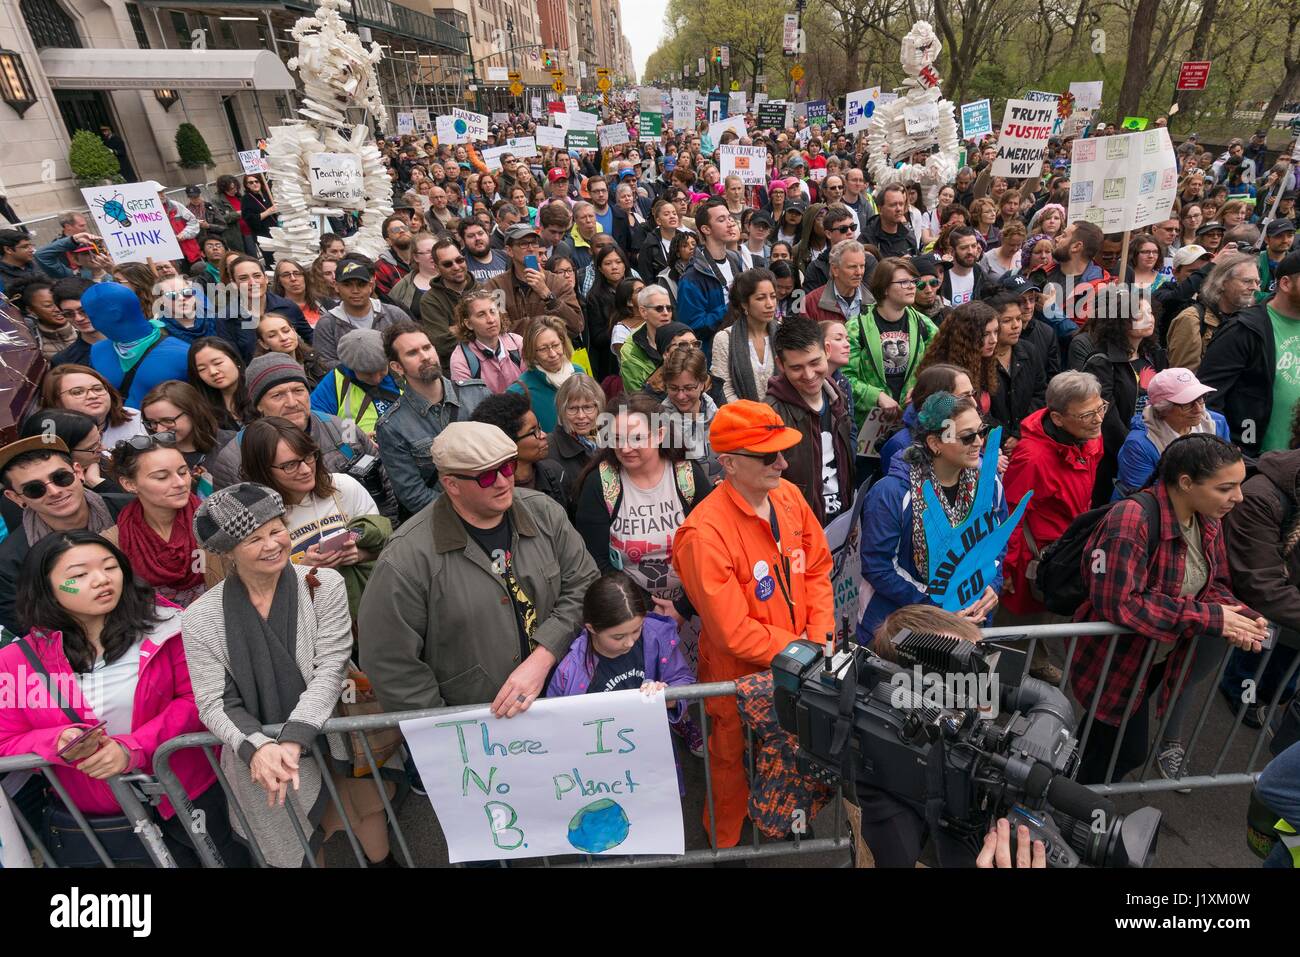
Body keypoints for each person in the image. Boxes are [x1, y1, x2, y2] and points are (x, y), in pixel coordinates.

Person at [0, 530, 245, 867]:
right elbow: (6, 740)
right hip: (99, 820)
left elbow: (197, 700)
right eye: (79, 575)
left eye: (109, 567)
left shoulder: (168, 626)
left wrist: (134, 747)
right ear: (47, 589)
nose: (101, 580)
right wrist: (58, 740)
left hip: (187, 796)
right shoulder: (17, 660)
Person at [185, 484, 395, 868]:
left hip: (333, 726)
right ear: (228, 551)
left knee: (364, 809)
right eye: (254, 539)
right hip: (261, 747)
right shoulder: (200, 618)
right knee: (294, 833)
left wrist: (293, 739)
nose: (272, 545)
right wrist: (258, 748)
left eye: (276, 530)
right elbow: (213, 700)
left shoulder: (323, 583)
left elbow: (331, 666)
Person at [672, 401, 834, 846]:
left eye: (782, 452)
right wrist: (807, 653)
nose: (782, 462)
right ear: (727, 463)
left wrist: (817, 640)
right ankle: (724, 845)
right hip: (739, 682)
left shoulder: (788, 496)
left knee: (797, 756)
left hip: (799, 667)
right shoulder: (704, 534)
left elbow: (818, 569)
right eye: (768, 456)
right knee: (730, 768)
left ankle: (789, 823)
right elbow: (732, 631)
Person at [359, 421, 599, 717]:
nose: (503, 481)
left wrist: (544, 654)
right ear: (451, 485)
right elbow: (391, 663)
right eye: (485, 477)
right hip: (480, 727)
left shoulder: (544, 512)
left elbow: (584, 584)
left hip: (562, 700)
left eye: (508, 467)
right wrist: (449, 732)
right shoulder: (406, 558)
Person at [1071, 435, 1268, 783]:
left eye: (1239, 485)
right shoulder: (1132, 520)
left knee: (1099, 737)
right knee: (1125, 751)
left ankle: (1060, 785)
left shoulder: (1207, 517)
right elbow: (1121, 603)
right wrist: (1211, 618)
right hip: (1116, 661)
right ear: (1186, 482)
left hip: (1154, 659)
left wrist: (1239, 615)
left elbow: (1214, 584)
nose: (1238, 497)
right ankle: (1069, 810)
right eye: (1226, 488)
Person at [857, 392, 1008, 643]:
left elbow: (996, 544)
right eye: (967, 437)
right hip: (900, 631)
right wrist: (942, 604)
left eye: (982, 432)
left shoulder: (989, 482)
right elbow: (879, 566)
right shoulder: (891, 494)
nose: (979, 443)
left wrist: (992, 584)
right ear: (935, 443)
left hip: (968, 621)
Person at [574, 393, 711, 622]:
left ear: (659, 435)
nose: (626, 448)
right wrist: (647, 606)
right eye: (617, 439)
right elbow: (596, 560)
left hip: (695, 606)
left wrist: (683, 606)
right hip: (633, 613)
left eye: (636, 438)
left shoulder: (686, 475)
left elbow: (714, 545)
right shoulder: (601, 483)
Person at [545, 570, 700, 758]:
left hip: (652, 756)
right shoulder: (570, 670)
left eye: (637, 630)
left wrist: (670, 696)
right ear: (592, 628)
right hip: (599, 762)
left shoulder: (657, 637)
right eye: (618, 637)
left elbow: (682, 679)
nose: (629, 642)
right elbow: (556, 724)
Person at [0, 436, 133, 638]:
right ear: (16, 498)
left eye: (61, 478)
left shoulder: (131, 512)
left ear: (78, 472)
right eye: (34, 489)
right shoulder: (11, 562)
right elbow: (30, 629)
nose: (54, 491)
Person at [1000, 371, 1106, 623]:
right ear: (1057, 418)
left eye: (1101, 408)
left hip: (1067, 550)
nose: (1098, 419)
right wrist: (1005, 569)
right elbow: (1010, 515)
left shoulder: (1089, 439)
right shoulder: (1032, 458)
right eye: (1087, 415)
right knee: (1021, 631)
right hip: (1033, 558)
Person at [207, 353, 381, 491]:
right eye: (278, 395)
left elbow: (381, 477)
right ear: (258, 405)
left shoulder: (342, 426)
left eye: (298, 390)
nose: (291, 402)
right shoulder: (235, 458)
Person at [373, 320, 488, 520]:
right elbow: (413, 494)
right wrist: (468, 512)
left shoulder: (477, 394)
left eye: (427, 347)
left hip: (496, 497)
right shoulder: (392, 426)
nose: (425, 356)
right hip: (450, 518)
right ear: (397, 367)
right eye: (412, 353)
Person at [1221, 446, 1300, 733]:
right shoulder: (1260, 497)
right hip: (1264, 613)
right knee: (1249, 666)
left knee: (1281, 676)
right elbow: (1261, 588)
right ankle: (1240, 697)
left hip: (1291, 617)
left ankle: (1269, 698)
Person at [99, 434, 211, 606]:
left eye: (183, 472)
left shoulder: (215, 523)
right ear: (129, 484)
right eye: (161, 477)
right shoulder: (115, 542)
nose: (180, 483)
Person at [765, 317, 854, 525]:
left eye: (815, 363)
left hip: (840, 521)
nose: (809, 375)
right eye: (797, 368)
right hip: (800, 527)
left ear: (826, 350)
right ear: (780, 364)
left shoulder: (836, 396)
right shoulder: (772, 414)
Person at [1083, 291, 1168, 505]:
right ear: (1120, 322)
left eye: (1150, 312)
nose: (1150, 319)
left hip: (1154, 444)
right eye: (1140, 315)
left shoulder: (1154, 354)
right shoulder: (1103, 362)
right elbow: (1107, 418)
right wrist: (1133, 448)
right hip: (1118, 455)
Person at [844, 257, 938, 432]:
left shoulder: (924, 324)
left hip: (912, 421)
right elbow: (843, 377)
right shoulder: (856, 327)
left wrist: (921, 387)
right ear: (885, 288)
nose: (912, 286)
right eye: (903, 282)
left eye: (913, 281)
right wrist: (876, 396)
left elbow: (940, 366)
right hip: (868, 426)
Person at [1115, 368, 1231, 499]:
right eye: (1187, 404)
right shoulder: (1139, 445)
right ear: (1163, 408)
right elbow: (1142, 499)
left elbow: (1227, 469)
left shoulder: (1216, 424)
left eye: (1200, 398)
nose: (1199, 409)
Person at [79, 282, 190, 409]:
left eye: (91, 316)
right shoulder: (97, 351)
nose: (90, 322)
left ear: (115, 314)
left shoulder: (182, 354)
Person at [1164, 251, 1258, 373]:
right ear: (1223, 282)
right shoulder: (1192, 319)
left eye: (1257, 282)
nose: (1254, 287)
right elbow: (1184, 378)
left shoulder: (1252, 319)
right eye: (1247, 281)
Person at [488, 223, 584, 336]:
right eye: (523, 244)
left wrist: (547, 295)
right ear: (509, 251)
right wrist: (543, 325)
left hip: (552, 351)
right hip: (515, 352)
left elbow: (576, 325)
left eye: (534, 243)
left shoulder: (558, 282)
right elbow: (497, 328)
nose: (531, 248)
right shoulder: (496, 285)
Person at [140, 380, 231, 498]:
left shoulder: (233, 444)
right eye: (152, 423)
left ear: (193, 412)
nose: (159, 430)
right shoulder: (150, 456)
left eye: (168, 420)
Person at [314, 260, 409, 370]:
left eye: (361, 284)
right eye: (347, 285)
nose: (355, 291)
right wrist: (363, 371)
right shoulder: (327, 324)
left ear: (371, 285)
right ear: (336, 286)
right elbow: (325, 362)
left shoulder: (393, 314)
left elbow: (412, 346)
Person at [309, 328, 402, 437]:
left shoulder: (401, 369)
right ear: (350, 367)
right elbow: (315, 426)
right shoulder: (335, 382)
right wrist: (358, 439)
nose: (376, 379)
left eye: (382, 370)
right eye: (368, 374)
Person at [677, 200, 744, 341]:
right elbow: (692, 326)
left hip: (739, 343)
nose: (730, 223)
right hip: (713, 351)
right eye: (721, 220)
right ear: (706, 229)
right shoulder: (692, 276)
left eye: (729, 217)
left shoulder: (735, 259)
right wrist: (732, 306)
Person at [986, 292, 1047, 447]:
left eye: (1019, 319)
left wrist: (1020, 432)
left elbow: (1040, 395)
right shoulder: (980, 359)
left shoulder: (1029, 351)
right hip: (991, 445)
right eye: (1007, 320)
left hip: (1027, 438)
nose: (1016, 325)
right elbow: (980, 409)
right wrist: (1005, 438)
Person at [711, 268, 779, 403]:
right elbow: (725, 390)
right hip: (742, 418)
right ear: (744, 304)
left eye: (773, 296)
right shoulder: (725, 339)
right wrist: (753, 416)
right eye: (761, 298)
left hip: (782, 416)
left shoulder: (783, 333)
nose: (770, 304)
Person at [40, 363, 147, 448]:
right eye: (77, 392)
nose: (92, 396)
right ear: (57, 401)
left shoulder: (134, 417)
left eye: (98, 389)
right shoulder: (50, 435)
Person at [508, 315, 584, 433]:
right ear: (531, 352)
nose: (552, 354)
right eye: (543, 349)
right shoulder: (518, 392)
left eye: (555, 345)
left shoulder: (579, 373)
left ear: (563, 343)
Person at [447, 288, 525, 393]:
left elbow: (532, 386)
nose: (491, 320)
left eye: (493, 312)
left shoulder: (517, 342)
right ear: (468, 324)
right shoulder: (461, 360)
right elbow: (470, 403)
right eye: (481, 315)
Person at [583, 246, 634, 382]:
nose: (614, 267)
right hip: (611, 362)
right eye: (608, 263)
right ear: (600, 269)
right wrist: (622, 324)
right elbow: (597, 338)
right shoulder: (594, 297)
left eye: (618, 262)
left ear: (625, 265)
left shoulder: (637, 289)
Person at [547, 373, 603, 494]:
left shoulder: (610, 440)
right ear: (561, 411)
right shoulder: (549, 449)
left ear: (599, 408)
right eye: (572, 409)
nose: (581, 416)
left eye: (588, 407)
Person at [618, 285, 676, 393]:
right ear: (643, 312)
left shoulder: (684, 337)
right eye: (659, 308)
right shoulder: (630, 351)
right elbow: (638, 397)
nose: (666, 313)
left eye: (669, 308)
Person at [189, 337, 254, 430]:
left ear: (234, 360)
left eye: (218, 363)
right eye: (202, 369)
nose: (213, 372)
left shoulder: (258, 390)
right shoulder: (201, 410)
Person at [254, 310, 328, 388]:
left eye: (286, 331)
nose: (283, 338)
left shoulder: (313, 358)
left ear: (294, 331)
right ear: (263, 343)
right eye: (272, 335)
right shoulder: (262, 375)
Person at [10, 277, 76, 361]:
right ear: (31, 310)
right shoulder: (31, 343)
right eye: (48, 306)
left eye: (58, 302)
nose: (57, 309)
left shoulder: (82, 324)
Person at [48, 277, 104, 368]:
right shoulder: (64, 361)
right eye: (68, 313)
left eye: (84, 310)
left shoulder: (131, 341)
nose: (78, 318)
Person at [861, 185, 919, 258]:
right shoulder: (867, 239)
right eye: (893, 205)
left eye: (901, 204)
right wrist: (897, 265)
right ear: (880, 209)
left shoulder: (908, 236)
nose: (899, 209)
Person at [940, 227, 986, 305]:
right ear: (951, 251)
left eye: (974, 246)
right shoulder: (942, 275)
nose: (970, 251)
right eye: (964, 248)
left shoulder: (979, 272)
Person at [239, 175, 277, 263]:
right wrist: (268, 211)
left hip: (276, 229)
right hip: (263, 234)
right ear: (247, 185)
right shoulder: (246, 199)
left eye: (256, 181)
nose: (254, 184)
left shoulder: (267, 193)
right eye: (251, 182)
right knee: (271, 259)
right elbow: (249, 219)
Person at [459, 219, 510, 284]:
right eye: (471, 236)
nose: (477, 238)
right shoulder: (462, 265)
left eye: (480, 233)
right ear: (463, 241)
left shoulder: (505, 257)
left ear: (488, 234)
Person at [373, 216, 413, 298]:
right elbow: (388, 301)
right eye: (395, 230)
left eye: (404, 228)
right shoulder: (381, 268)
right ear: (388, 241)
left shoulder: (423, 258)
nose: (402, 231)